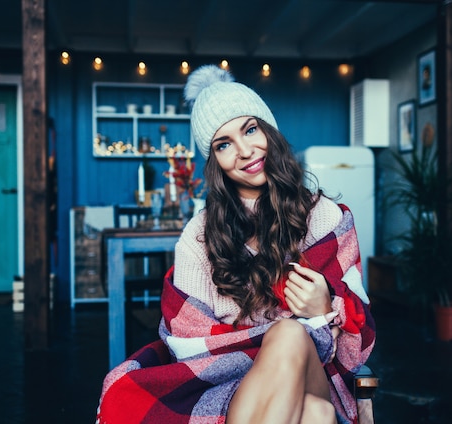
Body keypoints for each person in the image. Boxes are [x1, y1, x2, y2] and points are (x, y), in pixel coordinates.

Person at [97, 65, 375, 424]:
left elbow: (357, 348)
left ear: (268, 129)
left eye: (250, 129)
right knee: (315, 414)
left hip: (318, 374)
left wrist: (326, 306)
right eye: (224, 144)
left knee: (289, 337)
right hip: (230, 387)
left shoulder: (325, 219)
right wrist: (262, 343)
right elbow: (187, 344)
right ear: (214, 162)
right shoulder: (199, 237)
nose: (244, 151)